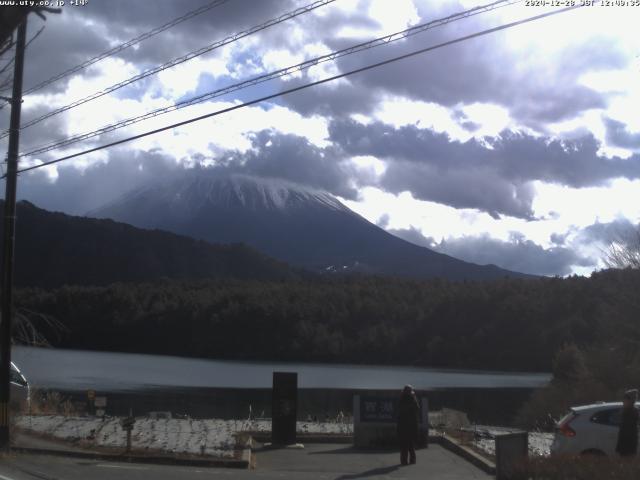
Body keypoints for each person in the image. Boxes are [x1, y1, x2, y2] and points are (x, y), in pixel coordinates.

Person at [397, 384, 420, 465]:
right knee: (410, 444)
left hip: (404, 425)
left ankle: (404, 461)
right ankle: (412, 460)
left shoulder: (403, 399)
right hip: (410, 425)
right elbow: (417, 409)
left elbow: (400, 410)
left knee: (405, 445)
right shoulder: (412, 399)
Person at [616, 389, 638, 457]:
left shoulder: (633, 412)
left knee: (628, 462)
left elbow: (629, 429)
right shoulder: (624, 411)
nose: (623, 401)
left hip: (629, 444)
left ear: (631, 401)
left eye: (625, 399)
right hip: (624, 444)